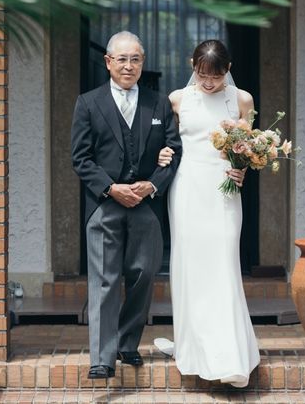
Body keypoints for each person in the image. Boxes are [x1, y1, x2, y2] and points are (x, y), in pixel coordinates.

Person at [71, 31, 182, 380]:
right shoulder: (88, 103)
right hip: (104, 205)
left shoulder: (158, 103)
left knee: (143, 275)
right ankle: (101, 358)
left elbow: (174, 152)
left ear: (142, 62)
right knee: (104, 280)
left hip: (146, 204)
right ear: (108, 62)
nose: (128, 66)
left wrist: (152, 184)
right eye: (122, 59)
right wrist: (111, 188)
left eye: (135, 59)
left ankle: (127, 342)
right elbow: (81, 158)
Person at [156, 39, 260, 388]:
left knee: (223, 263)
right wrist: (161, 154)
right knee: (190, 266)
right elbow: (163, 141)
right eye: (202, 75)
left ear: (228, 70)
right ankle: (192, 346)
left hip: (223, 190)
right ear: (193, 66)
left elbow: (249, 147)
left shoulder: (241, 99)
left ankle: (230, 355)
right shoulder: (177, 99)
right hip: (188, 188)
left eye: (216, 76)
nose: (209, 83)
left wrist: (242, 168)